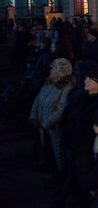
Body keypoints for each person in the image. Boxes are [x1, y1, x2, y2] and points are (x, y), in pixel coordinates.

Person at [29, 58, 75, 187]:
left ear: (61, 71)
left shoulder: (67, 87)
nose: (51, 70)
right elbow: (38, 99)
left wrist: (46, 122)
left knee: (59, 156)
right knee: (49, 155)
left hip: (55, 129)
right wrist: (34, 117)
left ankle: (61, 182)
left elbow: (61, 110)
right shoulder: (48, 83)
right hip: (43, 127)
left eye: (54, 68)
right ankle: (54, 179)